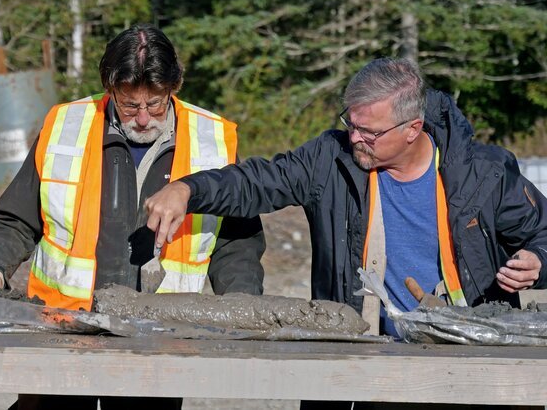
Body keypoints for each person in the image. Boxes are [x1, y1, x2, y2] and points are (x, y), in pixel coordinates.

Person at [0, 23, 265, 409]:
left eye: (155, 103)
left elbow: (235, 243)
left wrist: (242, 302)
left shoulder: (213, 143)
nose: (142, 118)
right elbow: (17, 218)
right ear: (110, 88)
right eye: (129, 104)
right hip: (63, 330)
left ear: (175, 87)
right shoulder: (65, 127)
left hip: (162, 338)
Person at [145, 57, 547, 338]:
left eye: (369, 132)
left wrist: (537, 262)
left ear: (413, 128)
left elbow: (543, 236)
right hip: (361, 358)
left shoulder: (486, 173)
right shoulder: (330, 159)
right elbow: (257, 181)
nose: (355, 139)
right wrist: (189, 189)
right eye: (350, 124)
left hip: (466, 357)